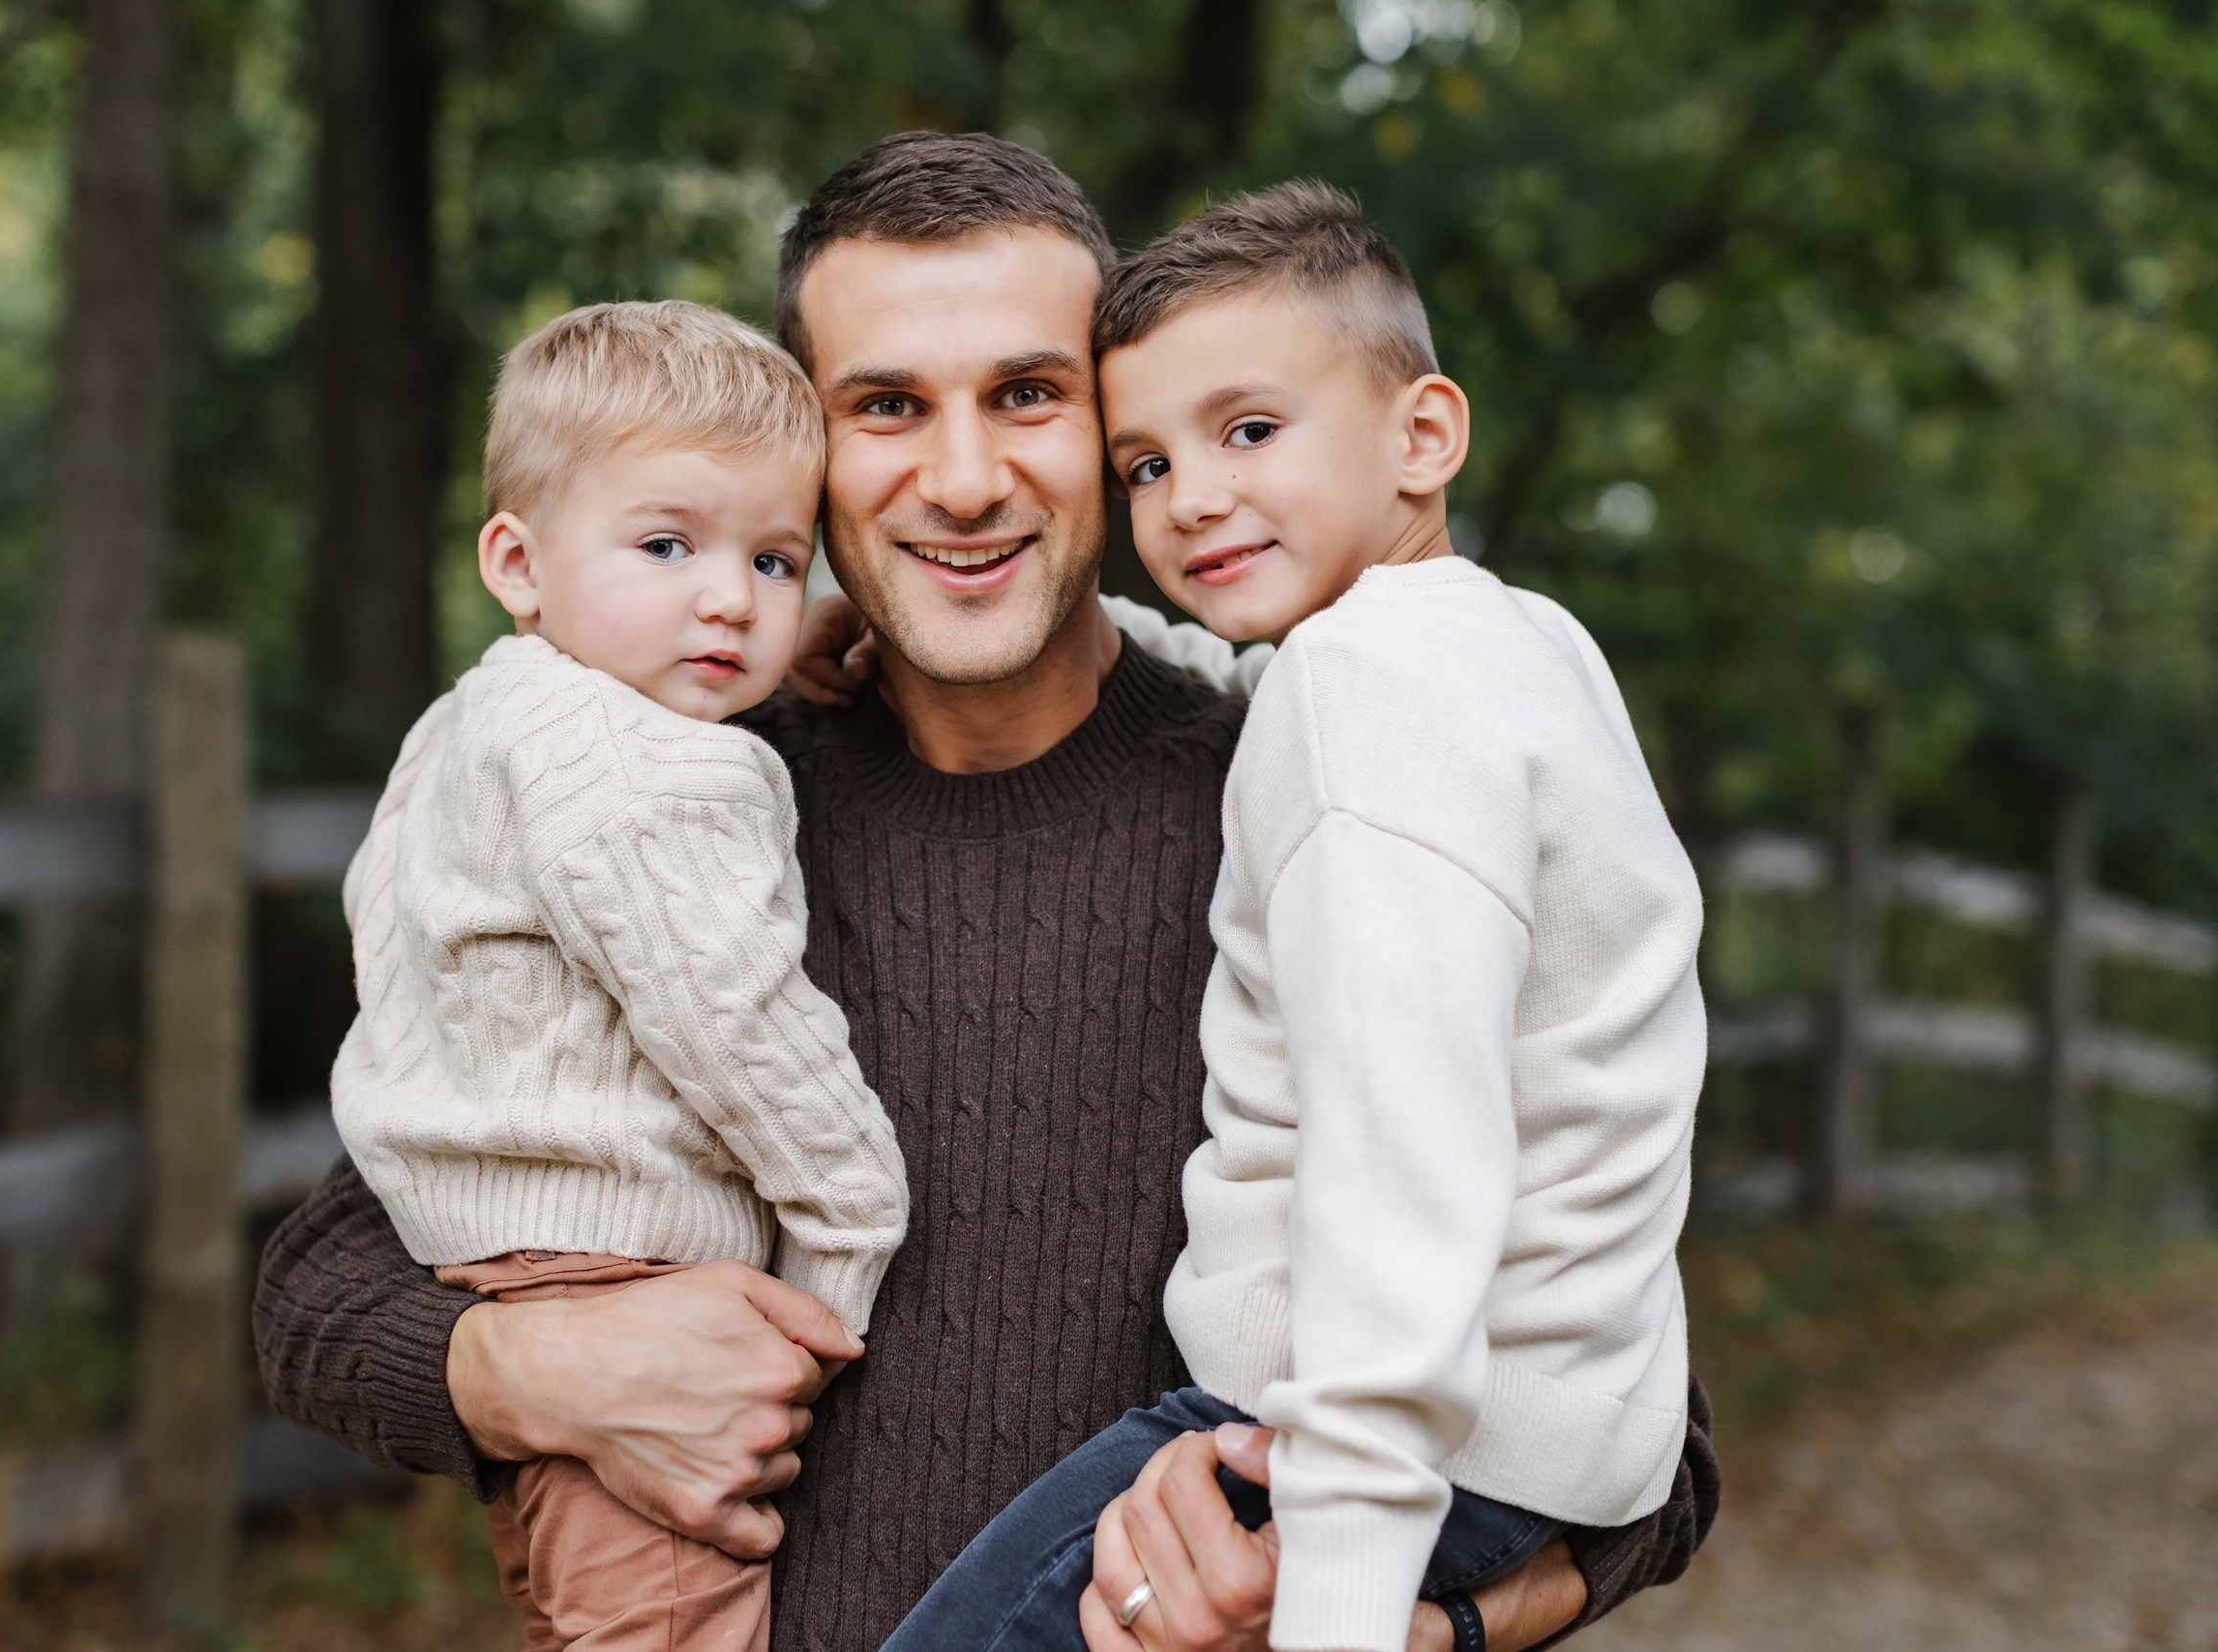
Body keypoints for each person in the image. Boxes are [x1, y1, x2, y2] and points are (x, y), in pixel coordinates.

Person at [253, 133, 1719, 1652]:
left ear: (1112, 427)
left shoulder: (1306, 791)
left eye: (1031, 396)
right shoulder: (673, 802)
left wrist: (1434, 1631)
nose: (963, 482)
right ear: (807, 451)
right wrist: (534, 1372)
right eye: (886, 407)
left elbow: (1654, 1446)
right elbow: (317, 1293)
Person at [880, 183, 1704, 1652]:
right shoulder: (1519, 651)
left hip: (1330, 1455)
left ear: (1423, 434)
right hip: (1548, 1442)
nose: (1189, 497)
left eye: (1249, 431)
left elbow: (1404, 1164)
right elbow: (1274, 711)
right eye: (1143, 463)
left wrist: (1340, 1595)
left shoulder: (1361, 696)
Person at [329, 299, 909, 1650]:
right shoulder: (650, 772)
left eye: (776, 560)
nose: (730, 597)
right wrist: (847, 1234)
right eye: (667, 545)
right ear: (517, 562)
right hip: (633, 1297)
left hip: (494, 1267)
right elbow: (742, 1025)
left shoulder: (477, 723)